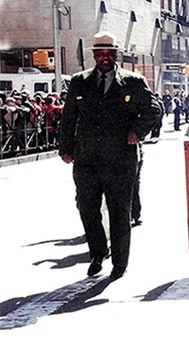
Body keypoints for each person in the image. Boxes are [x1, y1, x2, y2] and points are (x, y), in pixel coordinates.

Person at [58, 31, 161, 279]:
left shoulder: (133, 81)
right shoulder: (79, 81)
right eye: (100, 53)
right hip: (86, 159)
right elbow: (69, 116)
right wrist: (65, 148)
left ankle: (120, 263)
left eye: (109, 53)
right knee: (87, 208)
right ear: (94, 55)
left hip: (121, 159)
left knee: (119, 211)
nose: (105, 57)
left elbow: (154, 108)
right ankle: (98, 251)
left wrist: (137, 131)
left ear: (116, 55)